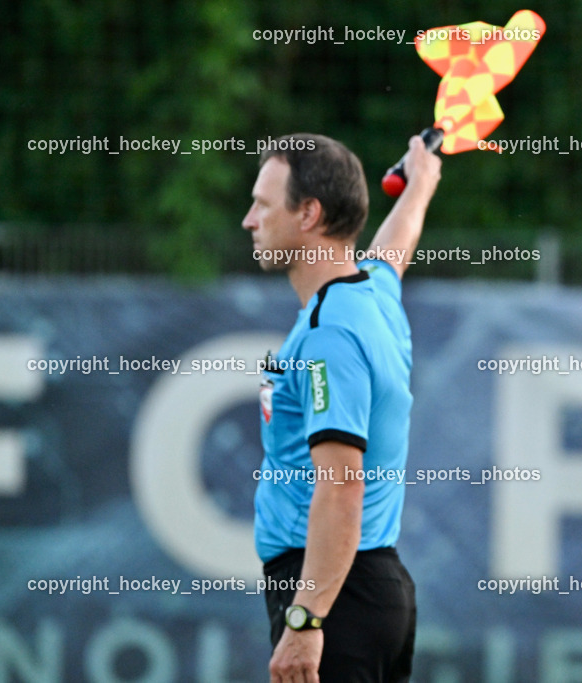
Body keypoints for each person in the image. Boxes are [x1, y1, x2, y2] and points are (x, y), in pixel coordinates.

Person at [242, 132, 441, 682]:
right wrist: (421, 180)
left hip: (333, 596)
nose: (249, 220)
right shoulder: (370, 291)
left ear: (308, 213)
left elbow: (340, 484)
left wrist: (306, 620)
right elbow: (395, 247)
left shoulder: (331, 335)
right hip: (363, 588)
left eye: (262, 204)